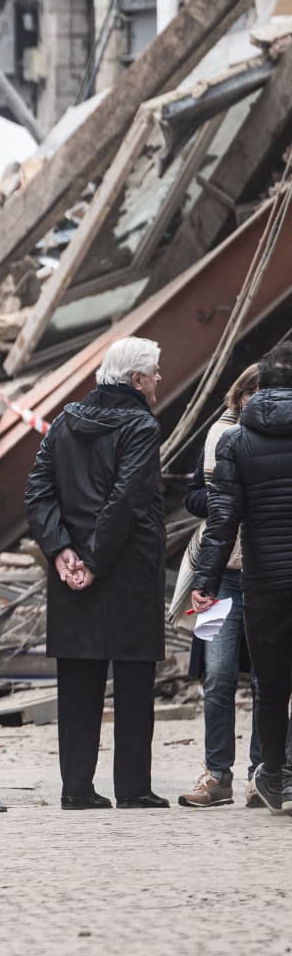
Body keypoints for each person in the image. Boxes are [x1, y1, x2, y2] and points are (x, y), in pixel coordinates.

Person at [24, 336, 168, 809]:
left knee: (78, 682)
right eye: (155, 373)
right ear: (136, 380)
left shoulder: (65, 422)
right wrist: (94, 558)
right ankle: (132, 787)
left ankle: (76, 788)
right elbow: (127, 500)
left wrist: (62, 550)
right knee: (132, 680)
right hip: (127, 570)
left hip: (72, 576)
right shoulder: (141, 427)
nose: (160, 381)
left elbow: (38, 492)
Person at [194, 341, 292, 812]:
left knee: (270, 686)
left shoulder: (234, 442)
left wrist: (204, 583)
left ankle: (274, 775)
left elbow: (222, 519)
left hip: (264, 583)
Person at [178, 365, 263, 808]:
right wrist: (225, 498)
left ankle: (261, 773)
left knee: (269, 679)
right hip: (225, 573)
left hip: (268, 572)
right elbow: (193, 496)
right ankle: (216, 773)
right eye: (252, 393)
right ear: (240, 396)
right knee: (218, 674)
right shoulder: (217, 436)